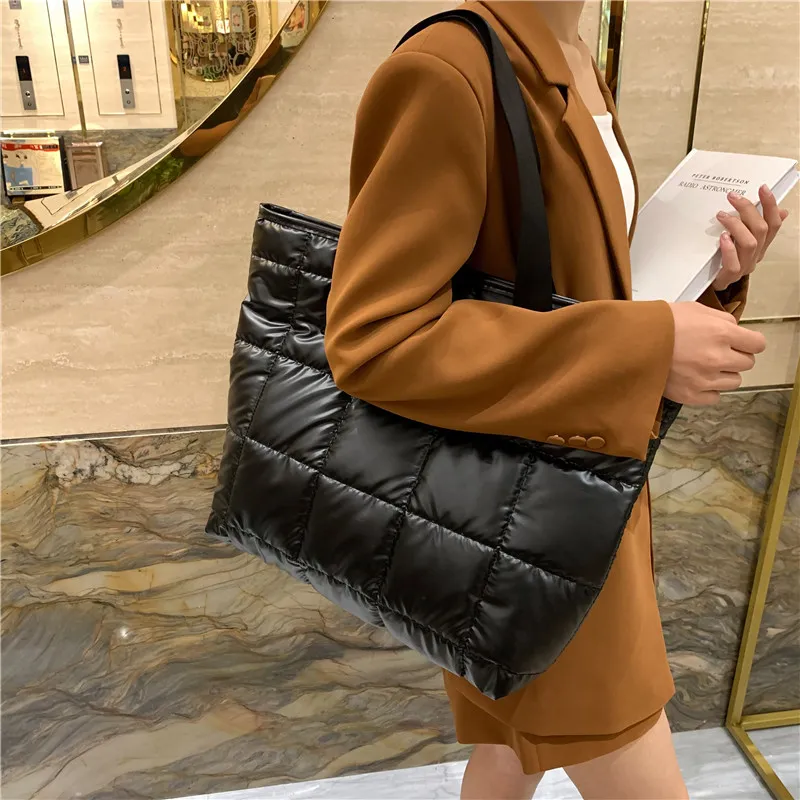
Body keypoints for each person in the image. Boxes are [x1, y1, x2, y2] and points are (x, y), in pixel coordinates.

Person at [324, 2, 789, 798]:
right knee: (586, 738)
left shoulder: (569, 50)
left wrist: (709, 278)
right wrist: (646, 348)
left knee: (514, 749)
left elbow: (575, 276)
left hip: (569, 494)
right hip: (532, 519)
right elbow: (377, 338)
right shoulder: (449, 67)